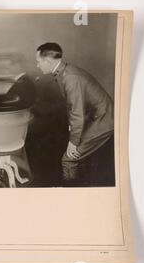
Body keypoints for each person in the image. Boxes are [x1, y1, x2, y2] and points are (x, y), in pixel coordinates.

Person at [35, 42, 115, 186]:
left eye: (38, 61)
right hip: (95, 117)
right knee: (74, 153)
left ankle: (70, 195)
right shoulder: (64, 72)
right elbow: (73, 107)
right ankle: (80, 186)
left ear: (47, 61)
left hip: (104, 119)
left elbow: (77, 113)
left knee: (68, 159)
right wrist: (72, 132)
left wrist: (73, 142)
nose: (37, 65)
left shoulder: (70, 77)